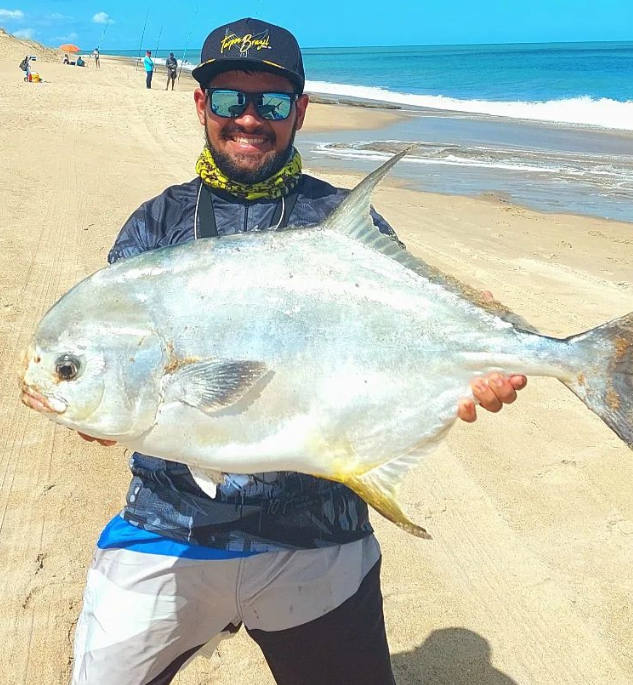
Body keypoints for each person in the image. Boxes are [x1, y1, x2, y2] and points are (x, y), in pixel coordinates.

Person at [69, 17, 526, 685]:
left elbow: (404, 332)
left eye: (272, 103)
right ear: (202, 106)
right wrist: (93, 408)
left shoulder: (341, 223)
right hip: (171, 523)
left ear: (300, 112)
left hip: (317, 534)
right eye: (229, 100)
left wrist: (475, 354)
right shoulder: (156, 227)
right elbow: (110, 382)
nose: (249, 118)